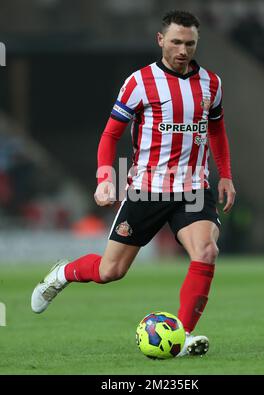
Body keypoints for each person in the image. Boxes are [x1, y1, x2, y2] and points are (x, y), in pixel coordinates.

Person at [31, 10, 236, 357]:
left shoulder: (211, 84)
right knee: (111, 271)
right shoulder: (139, 82)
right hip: (147, 188)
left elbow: (216, 129)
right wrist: (104, 177)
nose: (183, 50)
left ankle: (181, 336)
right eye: (176, 42)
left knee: (206, 251)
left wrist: (226, 174)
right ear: (160, 40)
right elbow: (111, 133)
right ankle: (62, 274)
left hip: (193, 189)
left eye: (190, 43)